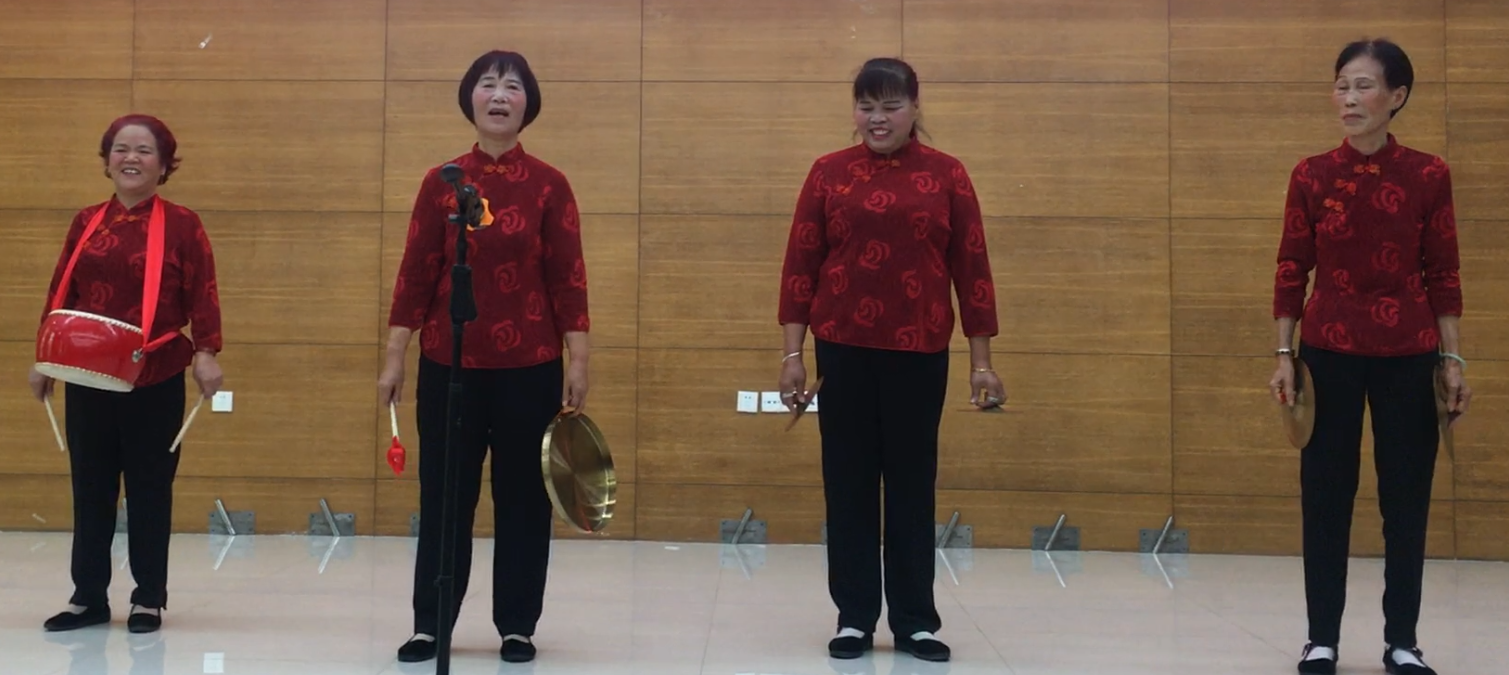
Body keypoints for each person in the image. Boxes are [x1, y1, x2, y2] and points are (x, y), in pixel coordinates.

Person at [776, 57, 1004, 664]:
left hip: (920, 352)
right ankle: (854, 617)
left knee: (911, 485)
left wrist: (981, 362)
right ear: (854, 111)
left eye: (891, 106)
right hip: (843, 349)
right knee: (847, 484)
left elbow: (973, 270)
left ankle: (914, 621)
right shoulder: (828, 173)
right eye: (866, 106)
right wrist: (793, 353)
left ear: (915, 108)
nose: (878, 119)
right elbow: (800, 266)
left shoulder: (947, 174)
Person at [380, 49, 590, 665]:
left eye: (513, 86)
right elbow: (416, 273)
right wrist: (395, 355)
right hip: (450, 363)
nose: (500, 95)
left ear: (529, 103)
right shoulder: (442, 181)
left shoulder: (550, 184)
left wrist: (578, 360)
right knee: (445, 497)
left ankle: (517, 625)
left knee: (524, 499)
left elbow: (568, 278)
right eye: (489, 84)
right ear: (470, 97)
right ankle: (431, 624)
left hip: (531, 365)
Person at [1270, 39, 1470, 675]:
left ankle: (1402, 641)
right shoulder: (1311, 174)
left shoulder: (1428, 174)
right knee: (1325, 496)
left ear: (1396, 96)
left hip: (1409, 353)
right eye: (1342, 86)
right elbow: (1291, 268)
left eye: (1363, 86)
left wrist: (1453, 359)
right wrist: (1284, 351)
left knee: (1406, 499)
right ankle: (1321, 638)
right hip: (1327, 351)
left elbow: (1443, 272)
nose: (1349, 99)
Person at [30, 114, 225, 635]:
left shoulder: (183, 224)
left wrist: (206, 352)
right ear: (107, 160)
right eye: (120, 149)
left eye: (143, 150)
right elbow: (62, 291)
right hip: (88, 373)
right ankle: (88, 597)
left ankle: (148, 598)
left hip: (153, 374)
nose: (130, 158)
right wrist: (44, 357)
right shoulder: (87, 221)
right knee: (90, 486)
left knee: (149, 489)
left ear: (163, 165)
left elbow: (203, 292)